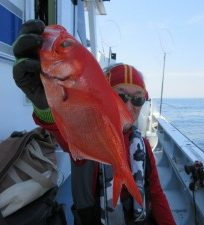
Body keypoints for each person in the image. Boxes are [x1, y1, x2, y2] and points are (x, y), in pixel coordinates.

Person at [12, 20, 176, 225]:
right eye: (120, 97)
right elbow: (63, 134)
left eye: (138, 99)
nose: (129, 105)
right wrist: (46, 107)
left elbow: (157, 194)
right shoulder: (87, 133)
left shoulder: (142, 145)